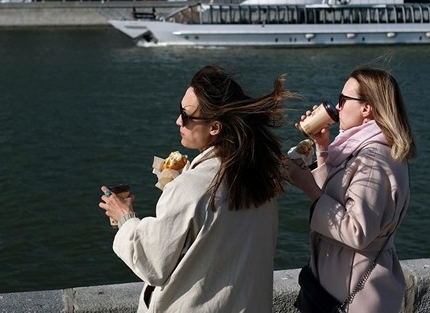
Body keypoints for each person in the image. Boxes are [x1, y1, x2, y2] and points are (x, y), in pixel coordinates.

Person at [99, 65, 294, 312]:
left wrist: (125, 218)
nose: (178, 120)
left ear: (215, 127)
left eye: (187, 115)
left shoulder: (192, 187)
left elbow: (153, 263)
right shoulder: (259, 176)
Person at [285, 66, 416, 313]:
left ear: (367, 108)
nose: (338, 106)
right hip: (339, 282)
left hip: (354, 293)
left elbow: (358, 230)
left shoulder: (373, 159)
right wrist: (322, 147)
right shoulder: (364, 149)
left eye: (344, 99)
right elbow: (338, 196)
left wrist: (310, 189)